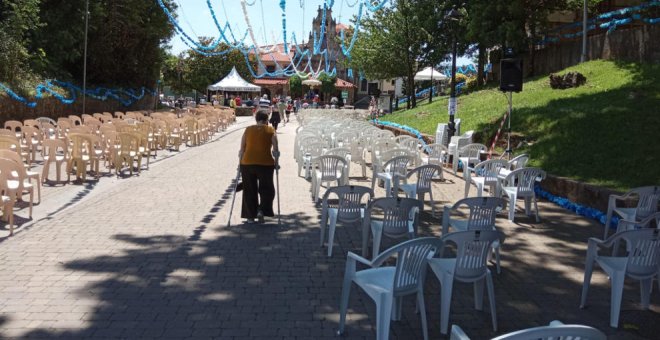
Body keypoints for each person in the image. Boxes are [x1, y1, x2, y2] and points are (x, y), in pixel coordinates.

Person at [239, 110, 280, 224]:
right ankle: (262, 209)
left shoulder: (248, 130)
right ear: (267, 120)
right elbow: (275, 149)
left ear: (256, 119)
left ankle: (250, 216)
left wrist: (240, 163)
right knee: (267, 189)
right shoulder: (271, 130)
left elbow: (242, 149)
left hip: (247, 163)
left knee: (249, 189)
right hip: (265, 164)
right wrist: (276, 162)